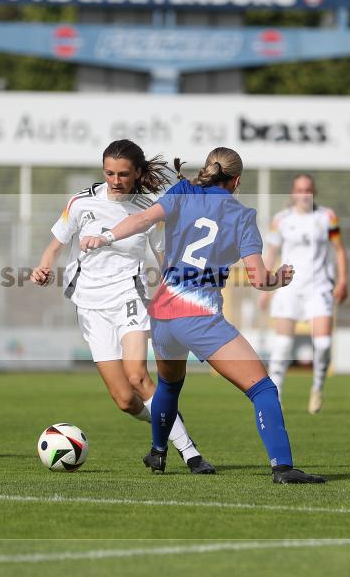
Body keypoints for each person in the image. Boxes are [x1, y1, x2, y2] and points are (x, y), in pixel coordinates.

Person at [81, 147, 326, 484]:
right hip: (199, 317)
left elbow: (141, 220)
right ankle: (283, 467)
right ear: (236, 180)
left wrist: (105, 236)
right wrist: (279, 279)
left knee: (168, 384)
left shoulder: (183, 192)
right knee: (263, 391)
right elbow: (259, 278)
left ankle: (158, 451)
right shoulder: (241, 216)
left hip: (163, 316)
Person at [31, 140, 215, 474]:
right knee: (125, 400)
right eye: (109, 173)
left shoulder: (149, 209)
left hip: (129, 297)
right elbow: (54, 245)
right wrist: (43, 267)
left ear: (138, 173)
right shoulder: (80, 202)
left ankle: (191, 455)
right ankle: (164, 419)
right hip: (89, 306)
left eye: (123, 174)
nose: (115, 180)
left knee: (137, 374)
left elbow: (164, 258)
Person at [259, 173, 347, 413]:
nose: (304, 194)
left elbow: (339, 250)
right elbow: (271, 252)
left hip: (319, 287)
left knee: (323, 343)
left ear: (313, 192)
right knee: (283, 345)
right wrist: (265, 286)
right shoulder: (280, 220)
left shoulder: (327, 217)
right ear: (292, 193)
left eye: (308, 189)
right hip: (289, 287)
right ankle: (275, 398)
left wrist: (342, 281)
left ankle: (317, 387)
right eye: (299, 189)